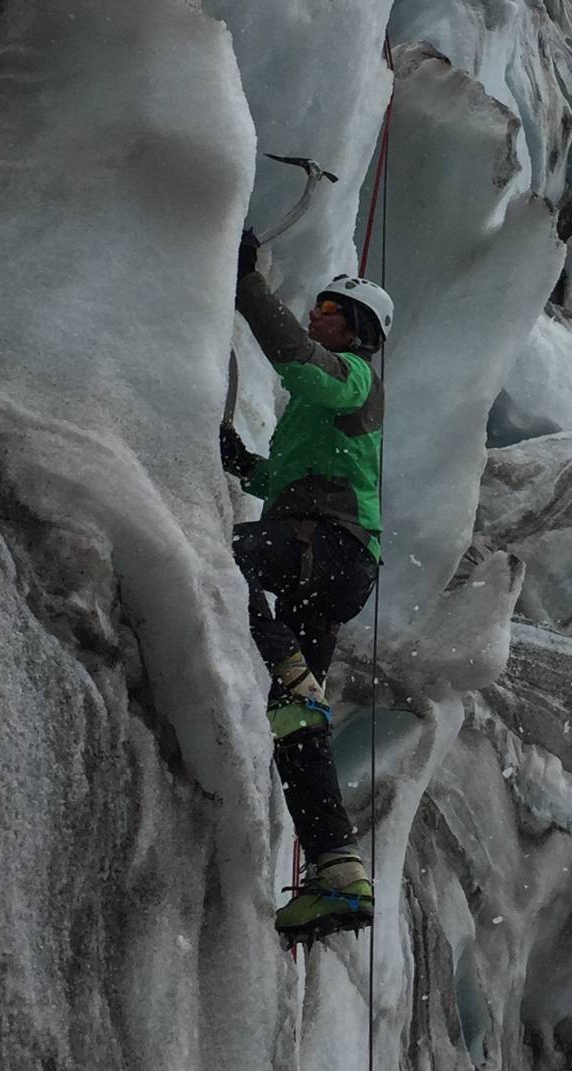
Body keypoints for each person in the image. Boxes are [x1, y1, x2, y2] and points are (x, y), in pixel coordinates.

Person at [223, 232, 393, 942]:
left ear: (357, 330)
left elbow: (306, 368)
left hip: (324, 547)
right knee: (300, 732)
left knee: (212, 557)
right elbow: (283, 477)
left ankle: (289, 675)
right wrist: (242, 461)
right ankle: (339, 869)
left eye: (330, 305)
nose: (318, 312)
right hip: (321, 561)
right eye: (319, 303)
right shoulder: (321, 411)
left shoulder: (354, 376)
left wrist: (247, 287)